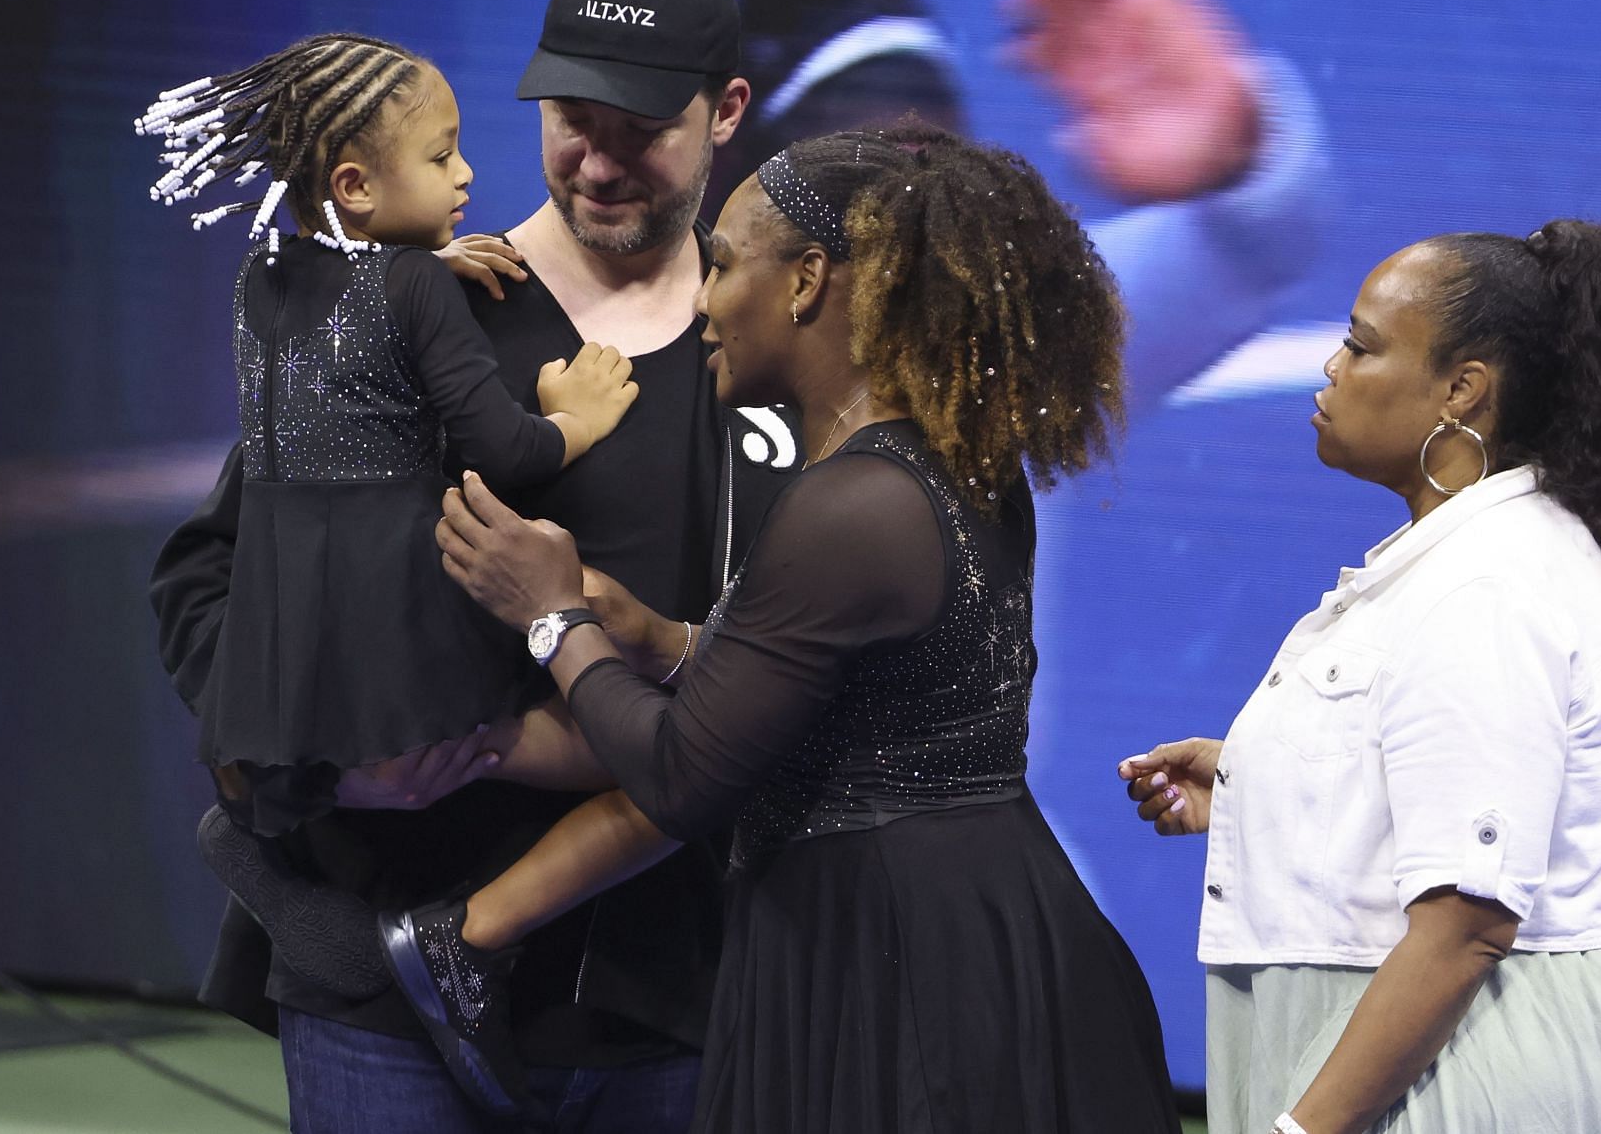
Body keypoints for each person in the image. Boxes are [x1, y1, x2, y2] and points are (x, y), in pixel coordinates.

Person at [150, 0, 795, 1133]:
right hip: (382, 990)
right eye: (569, 118)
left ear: (727, 114)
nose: (595, 162)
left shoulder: (771, 363)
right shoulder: (412, 305)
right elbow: (211, 578)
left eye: (638, 126)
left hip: (669, 998)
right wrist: (317, 764)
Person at [435, 123, 1184, 1132]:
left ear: (807, 279)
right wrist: (660, 639)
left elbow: (682, 775)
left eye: (726, 263)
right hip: (983, 931)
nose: (704, 299)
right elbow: (869, 702)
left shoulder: (852, 506)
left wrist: (552, 616)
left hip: (885, 969)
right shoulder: (950, 464)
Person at [1118, 221, 1601, 1133]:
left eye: (1363, 345)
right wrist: (1260, 783)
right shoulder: (1484, 555)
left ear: (1462, 391)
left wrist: (1303, 1130)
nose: (1332, 366)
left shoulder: (1487, 586)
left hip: (1471, 1078)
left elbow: (1468, 925)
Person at [132, 29, 648, 1018]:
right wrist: (571, 416)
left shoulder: (263, 279)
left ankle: (274, 821)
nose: (466, 174)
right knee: (541, 716)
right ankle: (442, 938)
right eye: (442, 154)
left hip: (286, 610)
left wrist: (409, 273)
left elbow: (341, 324)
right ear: (358, 185)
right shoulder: (412, 287)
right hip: (393, 600)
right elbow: (502, 449)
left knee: (384, 745)